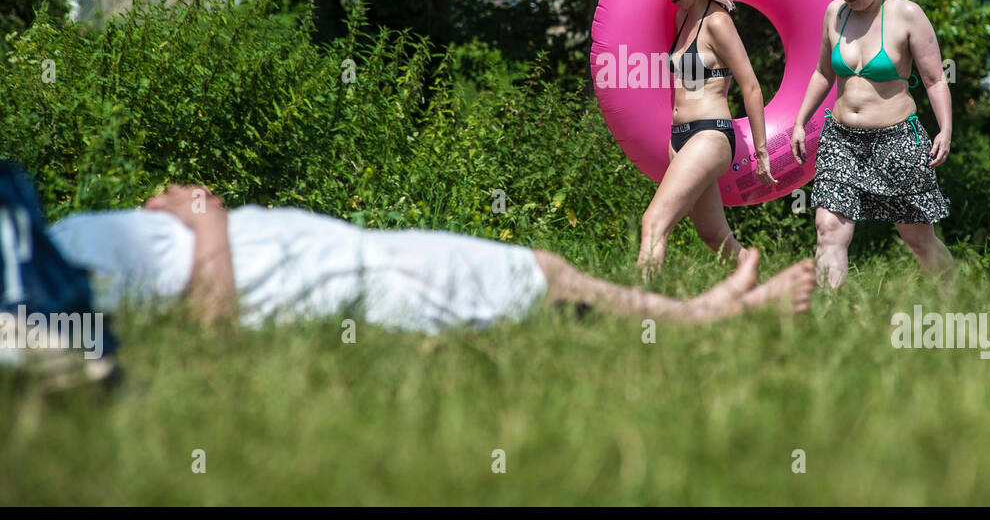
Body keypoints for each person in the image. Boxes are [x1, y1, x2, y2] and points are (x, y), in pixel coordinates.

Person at [45, 184, 815, 333]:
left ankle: (704, 312)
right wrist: (199, 213)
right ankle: (703, 315)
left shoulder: (36, 256)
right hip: (353, 280)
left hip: (344, 253)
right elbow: (208, 322)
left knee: (544, 274)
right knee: (542, 276)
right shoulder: (37, 314)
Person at [790, 0, 956, 287]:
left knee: (917, 238)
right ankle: (827, 319)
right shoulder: (834, 14)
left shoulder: (907, 14)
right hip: (841, 138)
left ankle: (956, 297)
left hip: (896, 138)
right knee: (828, 230)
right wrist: (801, 121)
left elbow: (935, 79)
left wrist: (945, 130)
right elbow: (823, 72)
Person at [638, 0, 776, 278]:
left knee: (654, 222)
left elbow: (751, 85)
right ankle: (767, 291)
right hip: (680, 138)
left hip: (710, 135)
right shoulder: (681, 19)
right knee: (713, 235)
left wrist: (761, 152)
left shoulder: (718, 22)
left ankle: (638, 309)